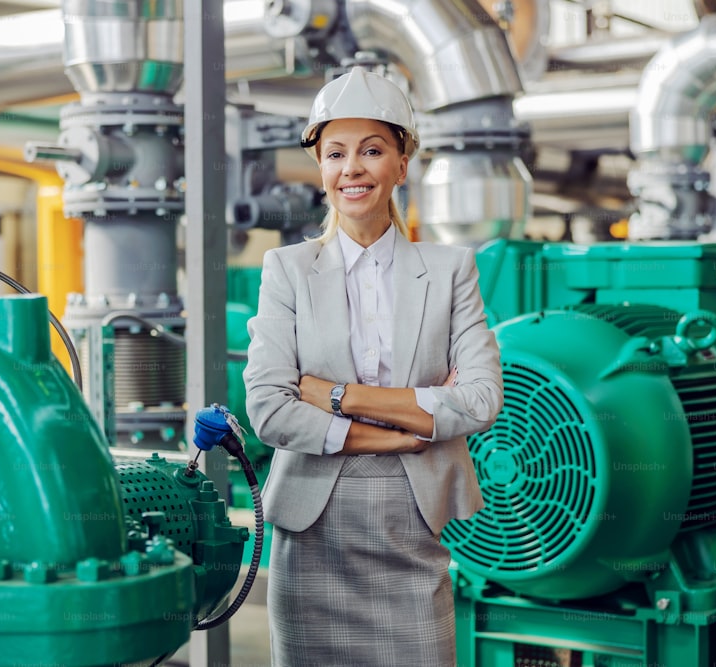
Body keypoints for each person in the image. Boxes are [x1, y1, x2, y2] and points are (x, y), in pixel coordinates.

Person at [242, 65, 504, 667]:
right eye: (335, 153)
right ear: (321, 169)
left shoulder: (450, 270)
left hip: (411, 527)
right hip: (311, 533)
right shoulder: (287, 271)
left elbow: (482, 399)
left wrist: (334, 395)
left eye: (371, 150)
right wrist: (400, 431)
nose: (352, 168)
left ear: (401, 163)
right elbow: (268, 410)